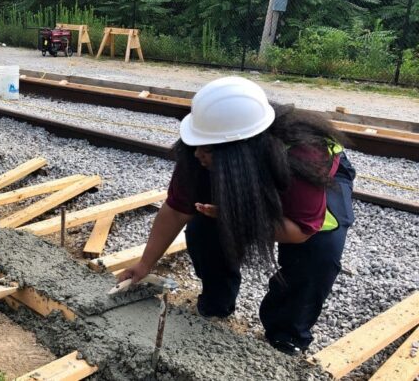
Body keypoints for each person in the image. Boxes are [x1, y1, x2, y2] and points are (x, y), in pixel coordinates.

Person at [119, 76, 356, 355]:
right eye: (197, 144)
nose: (198, 154)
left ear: (241, 148)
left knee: (319, 255)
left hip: (306, 189)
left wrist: (234, 218)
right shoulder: (198, 154)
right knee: (202, 229)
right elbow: (175, 210)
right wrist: (145, 263)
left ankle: (286, 334)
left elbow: (301, 230)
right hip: (244, 175)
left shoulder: (304, 156)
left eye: (209, 149)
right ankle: (216, 304)